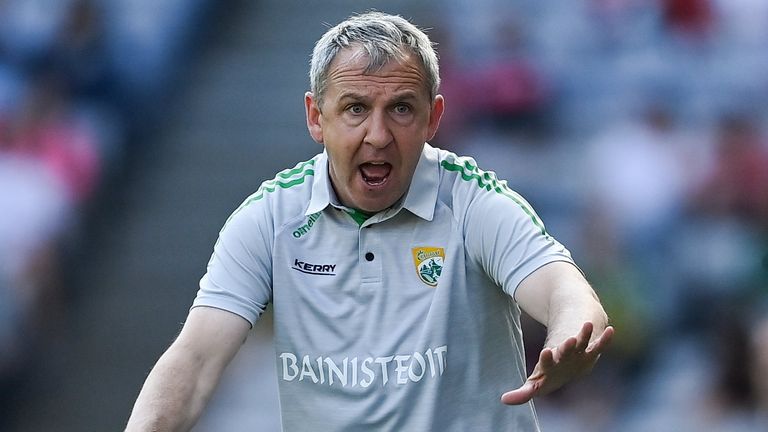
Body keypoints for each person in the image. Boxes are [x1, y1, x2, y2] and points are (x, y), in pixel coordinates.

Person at [125, 11, 613, 431]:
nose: (378, 135)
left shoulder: (472, 203)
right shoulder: (269, 218)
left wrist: (570, 332)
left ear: (433, 117)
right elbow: (195, 359)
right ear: (316, 117)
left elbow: (562, 289)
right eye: (355, 109)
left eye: (400, 109)